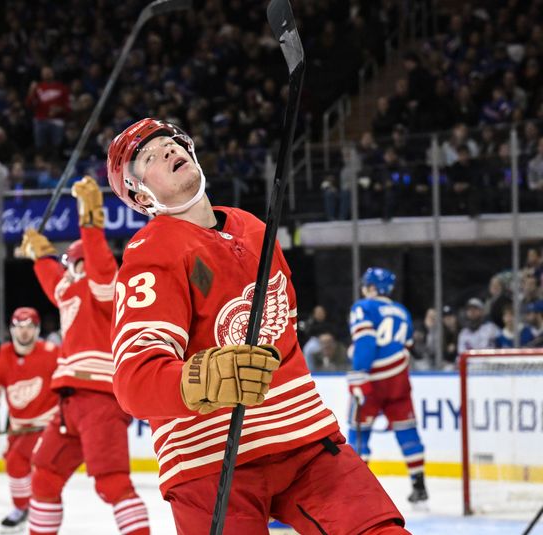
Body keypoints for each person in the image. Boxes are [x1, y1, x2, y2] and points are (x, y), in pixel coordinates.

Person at [106, 118, 408, 534]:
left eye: (171, 143)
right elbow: (133, 381)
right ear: (141, 194)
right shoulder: (151, 250)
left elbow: (284, 327)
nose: (169, 151)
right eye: (150, 157)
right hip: (210, 461)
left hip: (304, 439)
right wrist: (199, 380)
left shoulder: (253, 228)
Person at [17, 176, 151, 535]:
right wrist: (40, 257)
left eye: (70, 265)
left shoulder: (106, 289)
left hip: (101, 399)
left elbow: (100, 265)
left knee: (112, 484)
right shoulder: (70, 292)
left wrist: (90, 222)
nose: (66, 272)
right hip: (71, 402)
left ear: (79, 263)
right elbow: (54, 280)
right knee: (44, 477)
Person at [0, 307, 60, 533]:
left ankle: (37, 508)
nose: (24, 332)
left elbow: (67, 383)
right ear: (11, 329)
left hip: (48, 426)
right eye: (19, 327)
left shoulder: (52, 353)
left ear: (37, 329)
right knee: (14, 464)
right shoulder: (2, 354)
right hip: (19, 427)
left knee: (38, 468)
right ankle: (22, 507)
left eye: (29, 327)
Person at [348, 267, 428, 504]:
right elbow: (409, 346)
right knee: (407, 429)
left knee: (359, 432)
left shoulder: (363, 306)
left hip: (372, 378)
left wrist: (359, 373)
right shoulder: (402, 311)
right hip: (399, 379)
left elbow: (365, 342)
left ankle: (356, 488)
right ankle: (419, 485)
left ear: (372, 287)